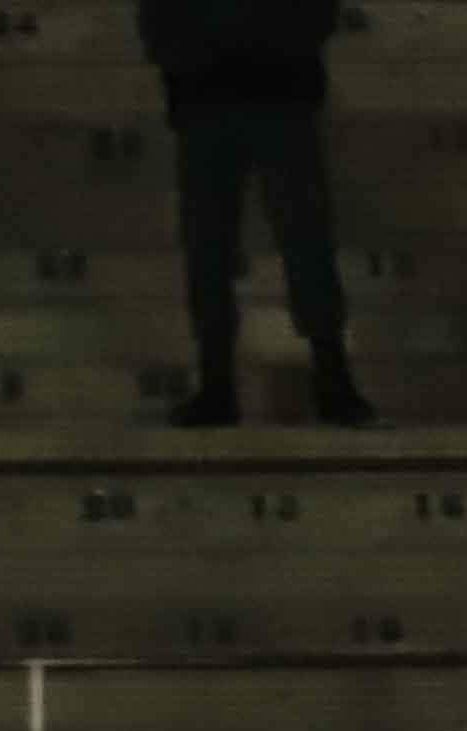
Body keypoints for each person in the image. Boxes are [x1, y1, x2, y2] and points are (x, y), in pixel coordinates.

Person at [141, 0, 370, 428]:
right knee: (226, 247)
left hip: (248, 96)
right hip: (243, 96)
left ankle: (310, 379)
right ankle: (316, 380)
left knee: (292, 242)